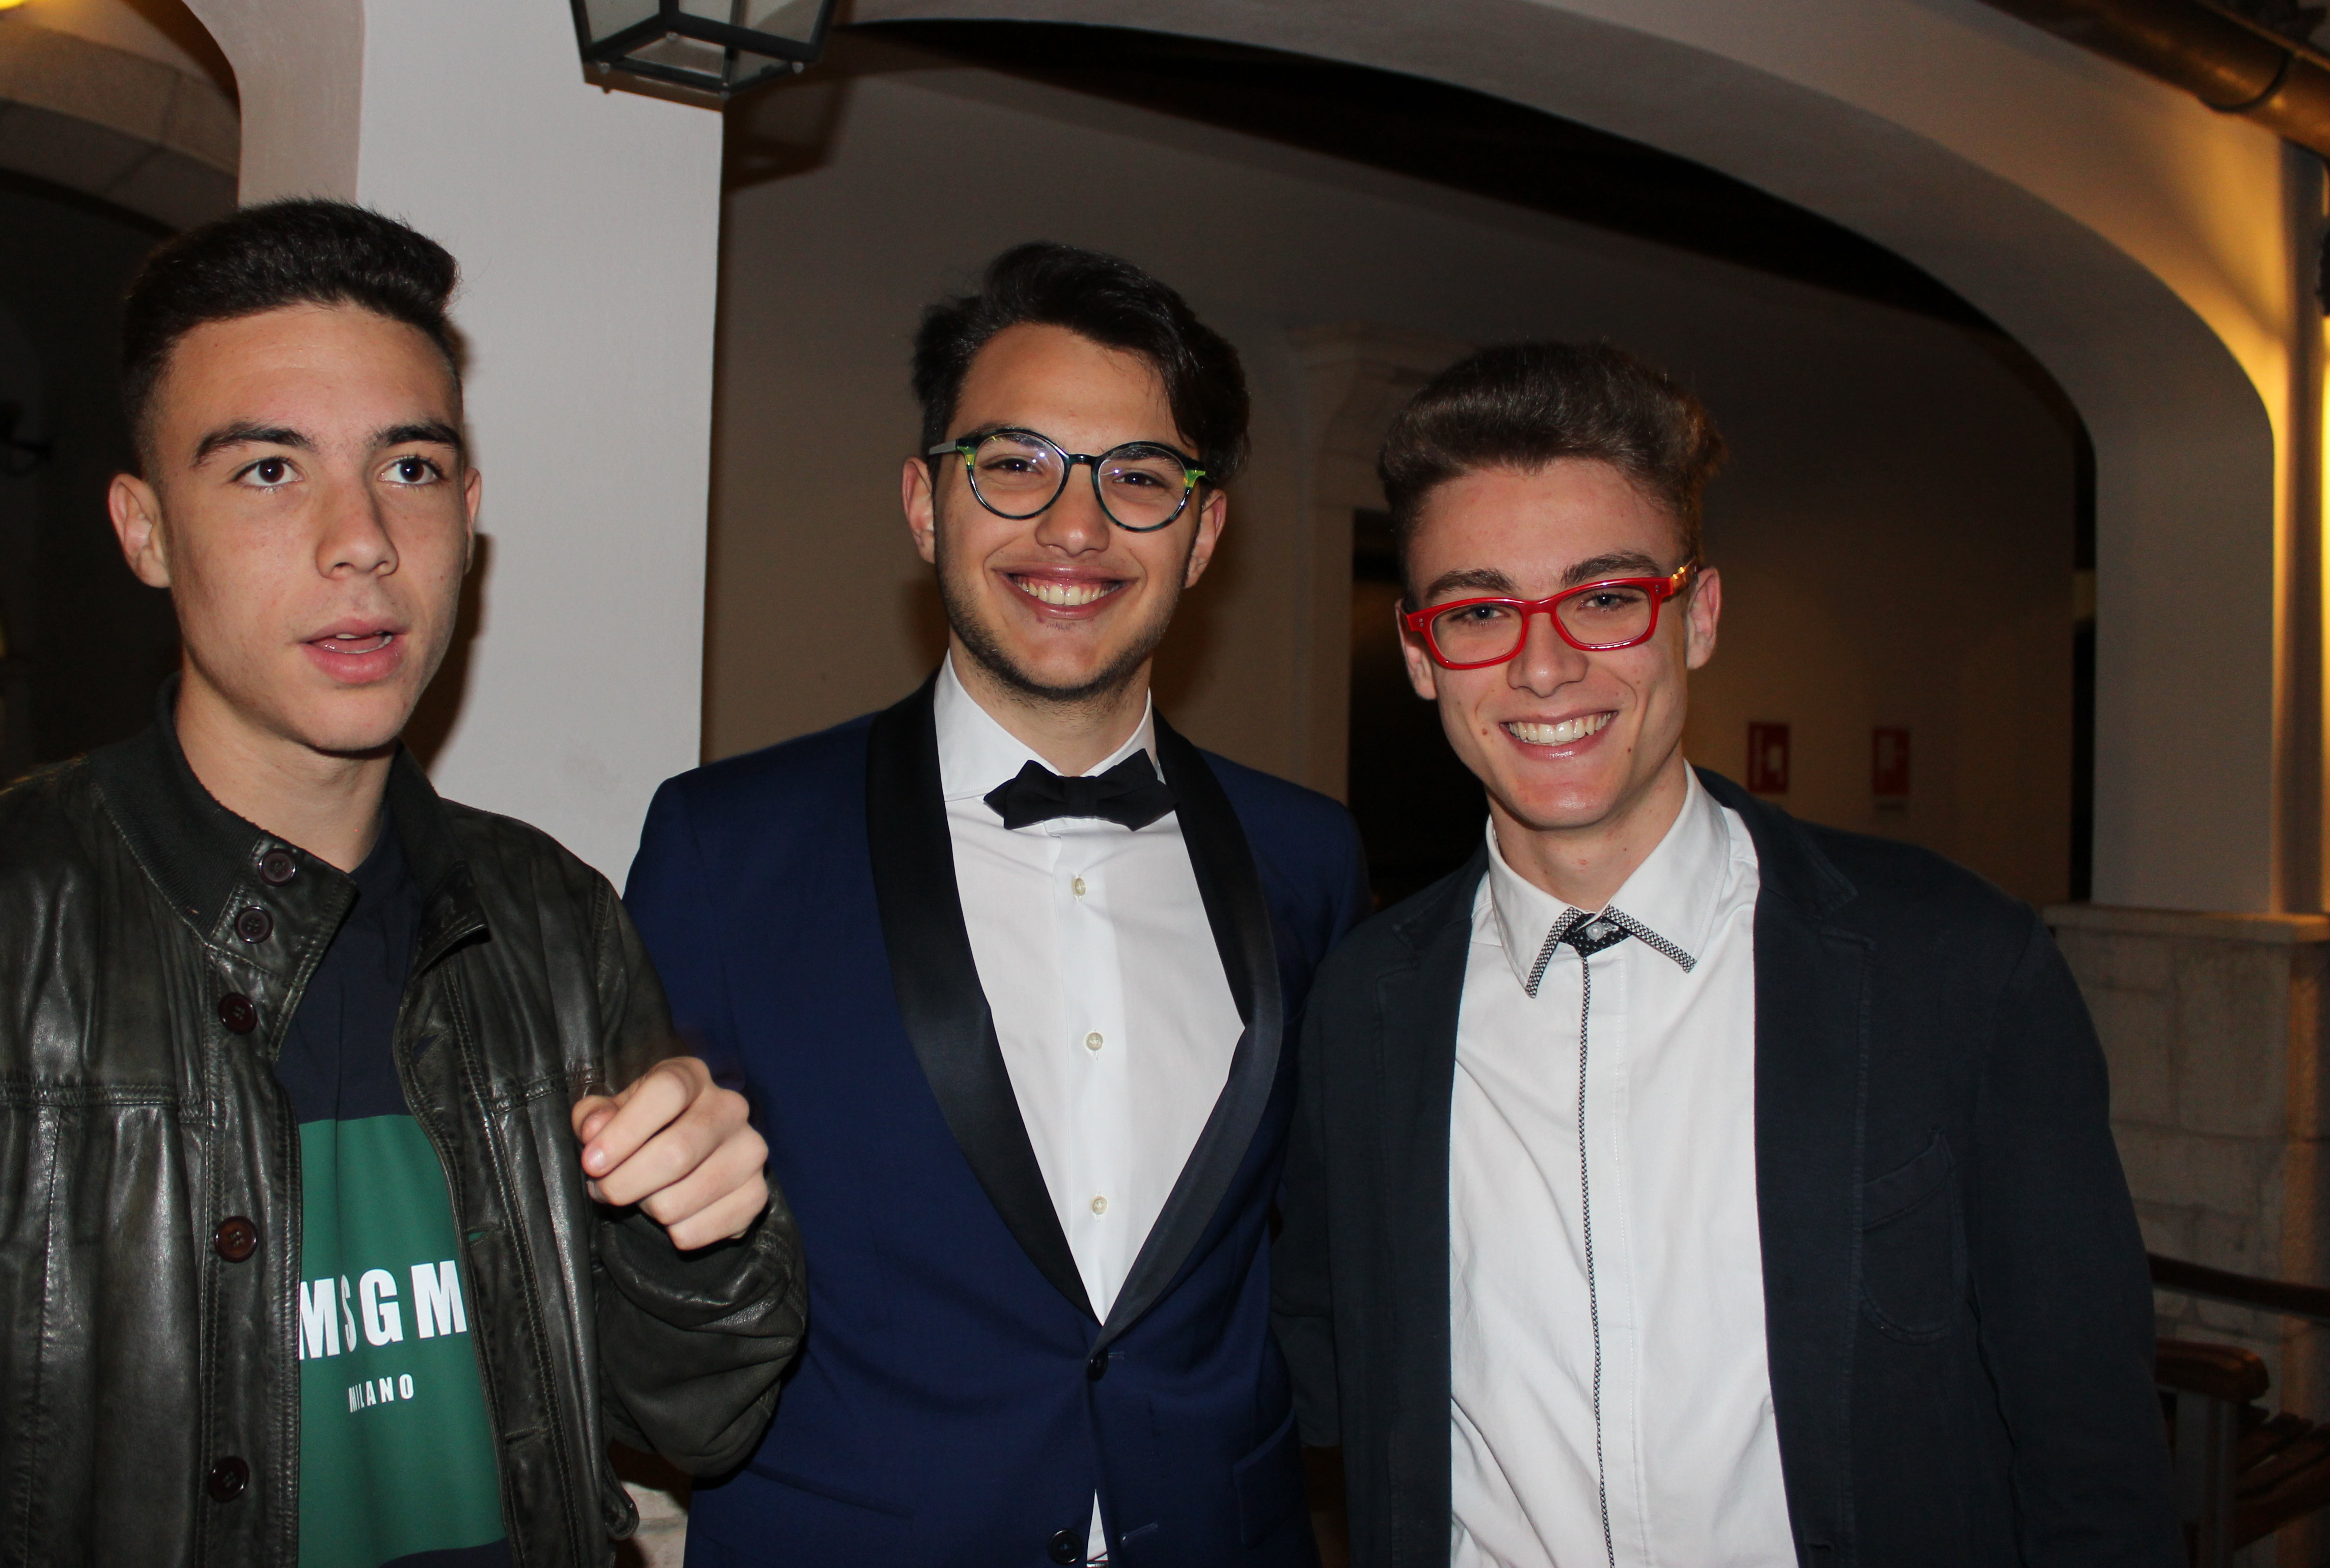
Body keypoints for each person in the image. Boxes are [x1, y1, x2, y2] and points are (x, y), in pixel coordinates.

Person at [0, 200, 804, 1568]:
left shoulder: (553, 918)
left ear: (468, 516)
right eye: (270, 471)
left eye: (409, 466)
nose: (362, 539)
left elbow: (698, 1418)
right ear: (147, 531)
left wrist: (705, 1230)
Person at [1271, 341, 2177, 1566]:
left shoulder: (1955, 969)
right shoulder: (1366, 1006)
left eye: (1604, 598)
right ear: (1424, 653)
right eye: (1480, 611)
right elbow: (1311, 1376)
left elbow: (2096, 1467)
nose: (1543, 667)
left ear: (1694, 616)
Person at [625, 242, 1365, 1566]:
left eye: (1140, 476)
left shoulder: (1309, 859)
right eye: (1015, 464)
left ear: (1204, 533)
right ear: (926, 504)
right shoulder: (725, 849)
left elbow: (1331, 1245)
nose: (1074, 528)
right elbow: (639, 1285)